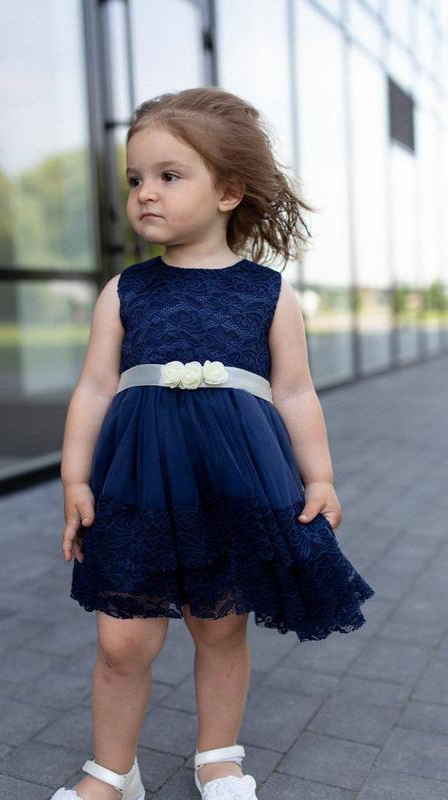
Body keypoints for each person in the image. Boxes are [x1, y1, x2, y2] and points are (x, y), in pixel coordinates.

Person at [51, 87, 375, 800]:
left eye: (169, 175)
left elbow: (295, 392)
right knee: (121, 639)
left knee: (220, 628)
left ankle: (218, 758)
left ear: (228, 191)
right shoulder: (125, 291)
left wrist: (319, 476)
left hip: (231, 483)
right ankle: (112, 771)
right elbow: (95, 389)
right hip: (137, 483)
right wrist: (75, 478)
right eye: (135, 178)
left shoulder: (268, 294)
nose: (145, 193)